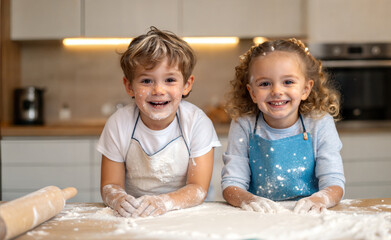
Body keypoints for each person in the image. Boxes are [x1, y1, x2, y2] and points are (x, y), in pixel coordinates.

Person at [98, 27, 221, 218]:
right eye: (147, 81)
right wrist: (120, 200)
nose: (158, 90)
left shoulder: (197, 123)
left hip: (188, 213)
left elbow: (197, 187)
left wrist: (163, 202)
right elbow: (110, 186)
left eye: (170, 80)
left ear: (186, 85)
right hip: (136, 215)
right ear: (129, 86)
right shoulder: (119, 123)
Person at [221, 39, 346, 214]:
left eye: (288, 82)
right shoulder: (244, 124)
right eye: (265, 84)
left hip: (308, 214)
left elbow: (333, 182)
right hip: (258, 215)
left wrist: (319, 199)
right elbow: (232, 184)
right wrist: (248, 200)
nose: (277, 91)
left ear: (306, 89)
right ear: (252, 93)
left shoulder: (319, 123)